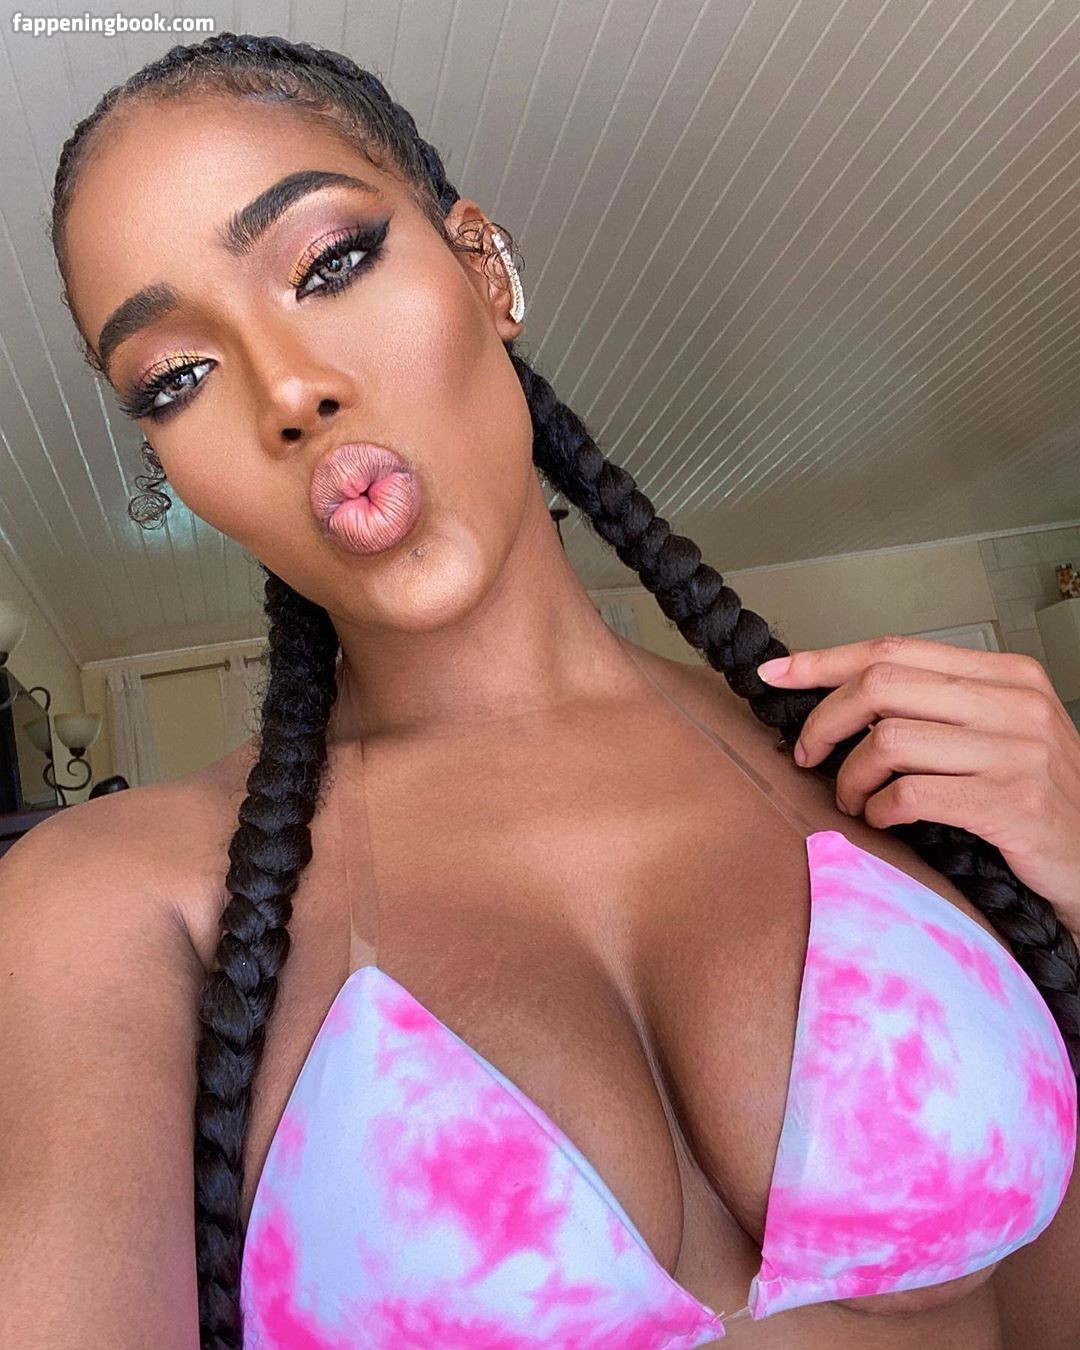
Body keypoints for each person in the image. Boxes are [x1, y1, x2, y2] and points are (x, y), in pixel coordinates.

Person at [3, 31, 1077, 1350]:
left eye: (329, 264)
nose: (289, 390)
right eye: (176, 377)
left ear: (484, 268)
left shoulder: (891, 770)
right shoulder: (115, 903)